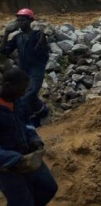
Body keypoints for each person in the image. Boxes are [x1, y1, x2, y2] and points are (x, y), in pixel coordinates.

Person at [0, 67, 58, 205]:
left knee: (48, 188)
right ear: (7, 86)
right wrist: (15, 159)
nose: (23, 93)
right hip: (5, 165)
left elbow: (27, 122)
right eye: (20, 90)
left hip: (28, 153)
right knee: (22, 202)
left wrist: (34, 139)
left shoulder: (19, 100)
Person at [0, 8, 49, 127]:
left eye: (23, 20)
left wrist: (43, 36)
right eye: (18, 20)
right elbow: (3, 51)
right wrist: (6, 33)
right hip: (23, 70)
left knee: (30, 93)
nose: (20, 23)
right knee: (22, 95)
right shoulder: (17, 37)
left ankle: (27, 120)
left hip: (36, 69)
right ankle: (42, 111)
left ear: (30, 20)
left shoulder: (37, 34)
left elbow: (41, 52)